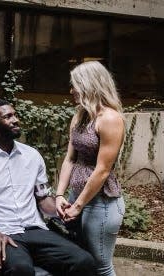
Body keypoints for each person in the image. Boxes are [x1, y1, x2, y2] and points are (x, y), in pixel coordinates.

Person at [0, 99, 95, 276]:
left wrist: (61, 209)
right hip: (2, 233)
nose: (15, 119)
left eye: (15, 115)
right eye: (7, 116)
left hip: (35, 230)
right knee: (21, 270)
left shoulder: (32, 156)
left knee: (84, 262)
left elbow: (43, 199)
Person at [55, 61, 126, 276]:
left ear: (89, 85)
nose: (71, 90)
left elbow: (103, 169)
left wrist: (78, 206)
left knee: (101, 266)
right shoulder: (80, 115)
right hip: (76, 196)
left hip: (101, 202)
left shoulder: (110, 119)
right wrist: (59, 195)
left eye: (75, 84)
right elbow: (69, 159)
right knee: (81, 260)